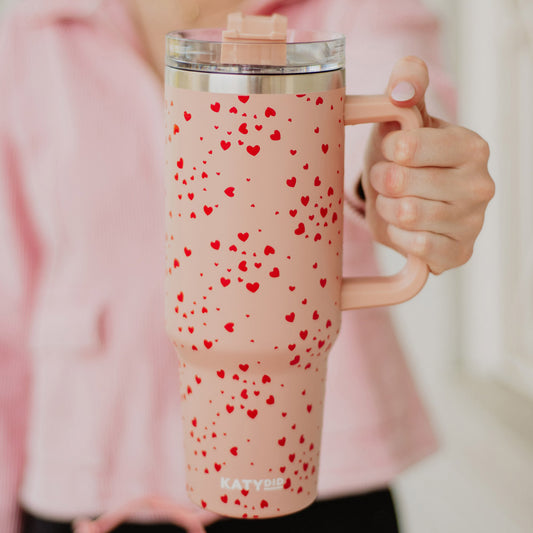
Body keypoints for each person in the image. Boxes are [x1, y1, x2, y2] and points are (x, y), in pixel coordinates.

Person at [0, 0, 494, 532]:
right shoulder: (29, 27)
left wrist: (400, 179)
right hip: (85, 476)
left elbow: (389, 107)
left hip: (322, 481)